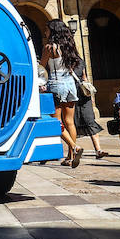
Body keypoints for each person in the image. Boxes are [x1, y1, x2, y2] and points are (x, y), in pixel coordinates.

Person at [40, 18, 82, 167]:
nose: (45, 32)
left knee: (56, 122)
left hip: (56, 85)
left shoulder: (50, 48)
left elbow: (42, 67)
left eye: (47, 29)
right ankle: (71, 157)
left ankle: (74, 147)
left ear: (53, 30)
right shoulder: (69, 46)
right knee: (70, 121)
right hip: (70, 84)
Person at [72, 57, 107, 159]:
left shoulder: (79, 61)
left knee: (90, 120)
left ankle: (98, 150)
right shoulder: (64, 61)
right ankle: (73, 150)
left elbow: (84, 77)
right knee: (72, 123)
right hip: (71, 95)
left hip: (82, 95)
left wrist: (90, 94)